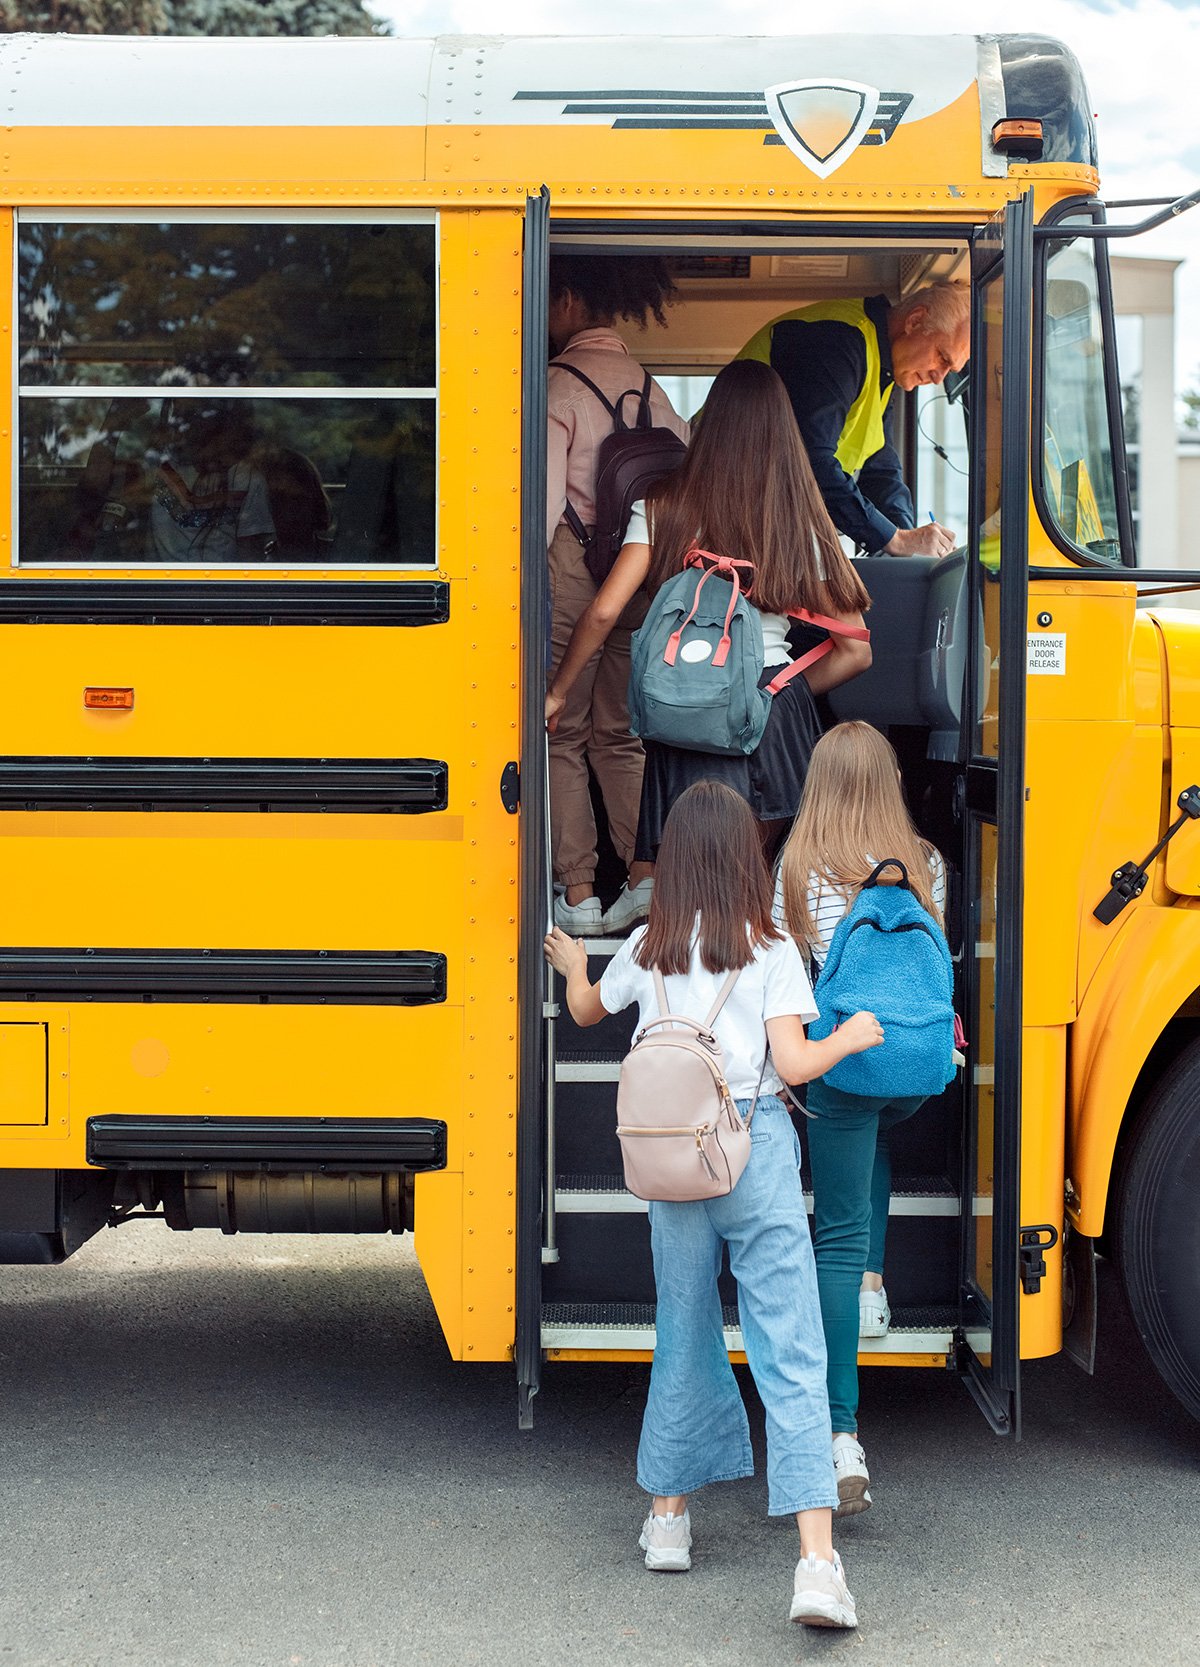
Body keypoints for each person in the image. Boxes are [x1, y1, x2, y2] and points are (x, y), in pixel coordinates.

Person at [544, 779, 883, 1628]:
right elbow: (796, 1066)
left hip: (669, 1165)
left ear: (675, 865)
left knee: (683, 1327)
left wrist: (576, 966)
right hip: (751, 1153)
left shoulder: (647, 948)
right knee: (792, 1348)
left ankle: (667, 1519)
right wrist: (851, 1034)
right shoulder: (766, 950)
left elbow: (587, 1009)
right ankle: (814, 1563)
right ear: (743, 858)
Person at [545, 358, 872, 866]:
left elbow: (604, 612)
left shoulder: (660, 508)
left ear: (708, 425)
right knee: (756, 877)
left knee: (691, 872)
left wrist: (559, 691)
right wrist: (774, 692)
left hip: (684, 705)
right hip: (769, 710)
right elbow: (855, 651)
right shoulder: (800, 525)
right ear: (783, 434)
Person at [775, 721, 948, 1518]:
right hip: (915, 1068)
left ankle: (841, 1433)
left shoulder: (797, 865)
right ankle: (877, 1286)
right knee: (875, 1134)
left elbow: (790, 980)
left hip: (841, 1064)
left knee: (834, 1232)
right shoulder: (927, 864)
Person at [546, 255, 690, 939]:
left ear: (570, 301)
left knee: (563, 731)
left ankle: (578, 892)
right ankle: (643, 880)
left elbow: (542, 509)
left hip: (574, 568)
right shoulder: (655, 393)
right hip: (641, 574)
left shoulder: (558, 387)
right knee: (621, 734)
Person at [737, 283, 970, 558]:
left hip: (762, 522)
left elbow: (880, 469)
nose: (939, 378)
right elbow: (809, 461)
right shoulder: (838, 340)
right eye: (942, 357)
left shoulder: (882, 365)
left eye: (950, 369)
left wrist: (910, 544)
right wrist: (894, 539)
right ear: (914, 321)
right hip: (727, 507)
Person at [148, 401, 275, 563]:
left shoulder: (247, 479)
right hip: (159, 581)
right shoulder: (158, 471)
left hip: (223, 583)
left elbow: (250, 557)